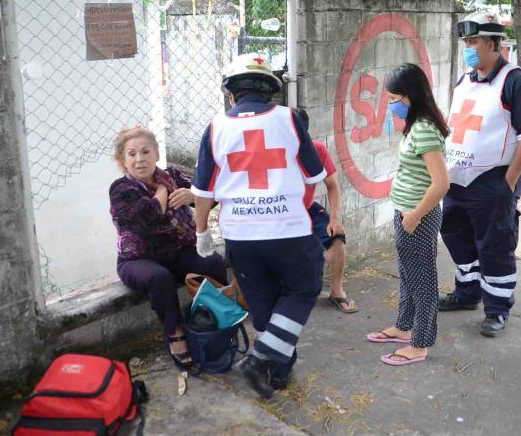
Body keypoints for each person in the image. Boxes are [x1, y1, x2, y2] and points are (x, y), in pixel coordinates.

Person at [192, 53, 326, 399]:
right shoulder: (290, 119)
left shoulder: (215, 127)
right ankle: (263, 359)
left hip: (240, 236)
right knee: (301, 290)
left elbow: (203, 192)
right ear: (269, 91)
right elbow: (315, 174)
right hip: (289, 230)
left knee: (264, 302)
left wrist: (202, 233)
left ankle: (278, 371)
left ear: (231, 93)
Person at [439, 12, 521, 337]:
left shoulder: (515, 80)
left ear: (492, 44)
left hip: (493, 180)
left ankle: (497, 309)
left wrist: (510, 181)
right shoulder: (465, 80)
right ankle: (467, 293)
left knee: (495, 245)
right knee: (456, 237)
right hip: (457, 178)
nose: (467, 49)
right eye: (465, 43)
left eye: (472, 42)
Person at [109, 126, 228, 370]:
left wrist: (192, 197)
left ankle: (212, 318)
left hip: (179, 250)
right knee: (159, 278)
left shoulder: (173, 174)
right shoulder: (121, 189)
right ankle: (174, 332)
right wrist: (163, 190)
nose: (139, 159)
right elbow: (150, 215)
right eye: (131, 154)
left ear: (156, 153)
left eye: (145, 151)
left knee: (213, 262)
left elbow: (211, 195)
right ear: (123, 160)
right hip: (138, 259)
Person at [366, 63, 450, 366]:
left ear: (410, 96)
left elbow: (441, 183)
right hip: (407, 213)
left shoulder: (425, 129)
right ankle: (403, 328)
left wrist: (414, 215)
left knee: (423, 281)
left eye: (393, 98)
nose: (390, 104)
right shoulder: (417, 125)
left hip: (417, 217)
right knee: (408, 275)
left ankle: (420, 344)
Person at [295, 109, 358, 314]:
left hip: (307, 208)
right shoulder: (272, 152)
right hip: (279, 214)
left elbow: (333, 185)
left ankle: (337, 292)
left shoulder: (316, 150)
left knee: (337, 236)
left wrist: (335, 218)